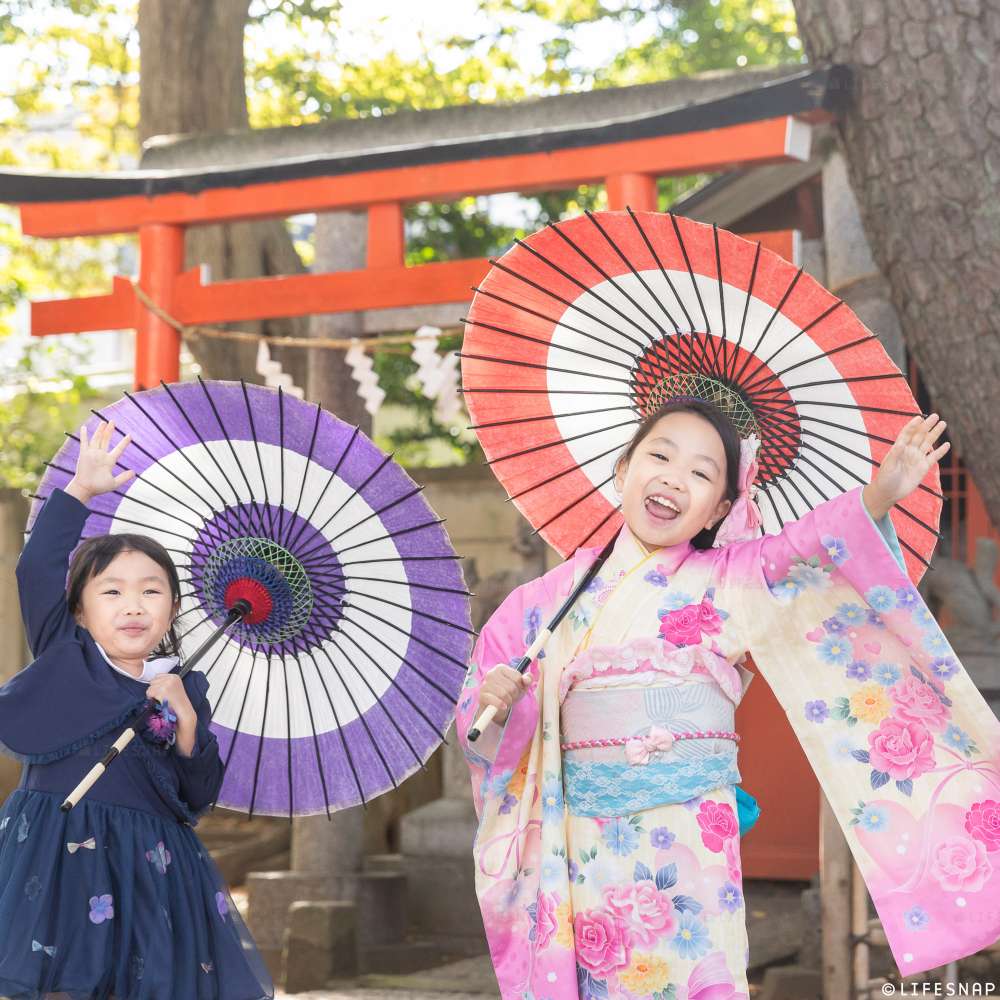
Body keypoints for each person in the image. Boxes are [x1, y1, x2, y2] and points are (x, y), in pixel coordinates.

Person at [458, 397, 1000, 998]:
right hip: (582, 842)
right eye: (659, 457)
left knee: (699, 975)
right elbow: (486, 725)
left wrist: (880, 495)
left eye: (701, 472)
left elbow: (805, 550)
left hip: (691, 838)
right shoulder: (543, 603)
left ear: (720, 507)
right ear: (623, 469)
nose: (674, 478)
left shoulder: (730, 578)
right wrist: (501, 703)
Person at [0, 421, 273, 1000]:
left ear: (172, 609)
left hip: (150, 867)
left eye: (151, 591)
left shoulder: (182, 686)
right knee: (61, 983)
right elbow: (36, 568)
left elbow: (198, 795)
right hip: (56, 855)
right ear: (78, 610)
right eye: (112, 591)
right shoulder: (66, 654)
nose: (133, 606)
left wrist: (187, 722)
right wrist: (80, 490)